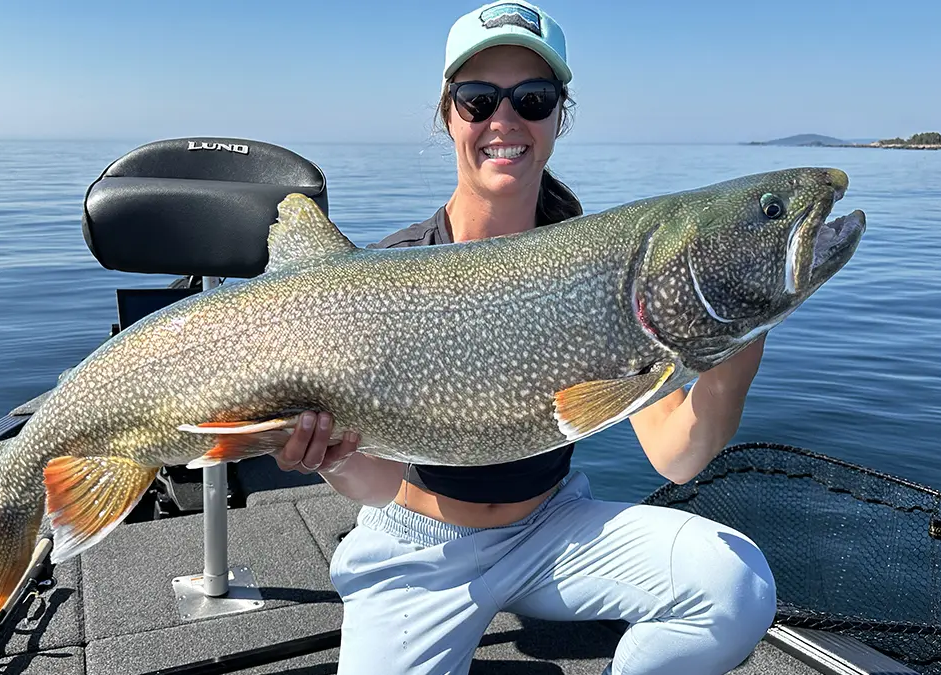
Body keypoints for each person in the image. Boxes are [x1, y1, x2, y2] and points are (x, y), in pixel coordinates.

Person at [274, 2, 777, 673]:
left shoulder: (607, 267)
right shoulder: (386, 277)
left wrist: (733, 347)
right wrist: (329, 455)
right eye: (478, 99)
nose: (504, 121)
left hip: (553, 528)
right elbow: (377, 484)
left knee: (735, 582)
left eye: (533, 99)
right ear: (448, 113)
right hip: (419, 545)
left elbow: (677, 456)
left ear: (557, 117)